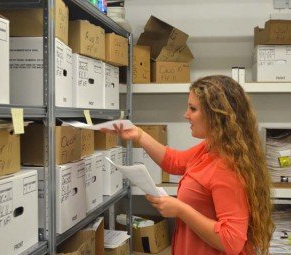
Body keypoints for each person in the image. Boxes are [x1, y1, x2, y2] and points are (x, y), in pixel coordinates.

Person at [104, 75, 274, 255]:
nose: (186, 115)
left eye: (193, 109)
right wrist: (138, 135)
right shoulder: (211, 148)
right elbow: (175, 162)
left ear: (215, 115)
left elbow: (231, 241)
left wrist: (180, 210)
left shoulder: (227, 167)